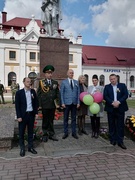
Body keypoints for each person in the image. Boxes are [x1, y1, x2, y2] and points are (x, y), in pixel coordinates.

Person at [103, 74, 128, 149]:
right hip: (111, 108)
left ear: (116, 78)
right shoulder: (107, 87)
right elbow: (105, 96)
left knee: (120, 125)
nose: (112, 80)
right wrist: (112, 103)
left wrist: (118, 102)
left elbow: (125, 95)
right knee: (111, 124)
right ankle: (113, 140)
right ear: (109, 79)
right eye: (111, 79)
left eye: (114, 79)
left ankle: (120, 141)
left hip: (120, 108)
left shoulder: (122, 86)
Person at [15, 77, 38, 157]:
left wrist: (36, 113)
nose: (29, 83)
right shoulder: (19, 93)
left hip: (31, 115)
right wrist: (19, 116)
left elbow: (36, 103)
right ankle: (22, 148)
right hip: (23, 116)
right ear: (24, 82)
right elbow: (17, 106)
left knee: (30, 132)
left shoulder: (33, 92)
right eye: (27, 81)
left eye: (30, 82)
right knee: (21, 132)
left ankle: (30, 147)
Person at [37, 65, 60, 142]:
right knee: (45, 120)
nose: (50, 74)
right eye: (48, 73)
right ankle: (45, 134)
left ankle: (51, 134)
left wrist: (58, 103)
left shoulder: (55, 82)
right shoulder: (41, 82)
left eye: (51, 73)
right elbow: (39, 94)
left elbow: (57, 93)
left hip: (52, 105)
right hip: (45, 104)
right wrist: (39, 105)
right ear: (45, 74)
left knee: (51, 120)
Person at [60, 69, 80, 139]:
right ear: (67, 74)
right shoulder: (64, 82)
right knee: (65, 119)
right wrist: (62, 102)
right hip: (66, 103)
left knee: (74, 118)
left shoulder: (76, 82)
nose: (71, 74)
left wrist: (78, 102)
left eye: (72, 73)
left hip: (74, 103)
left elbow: (78, 93)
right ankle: (65, 132)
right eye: (70, 73)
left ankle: (74, 132)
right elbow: (61, 93)